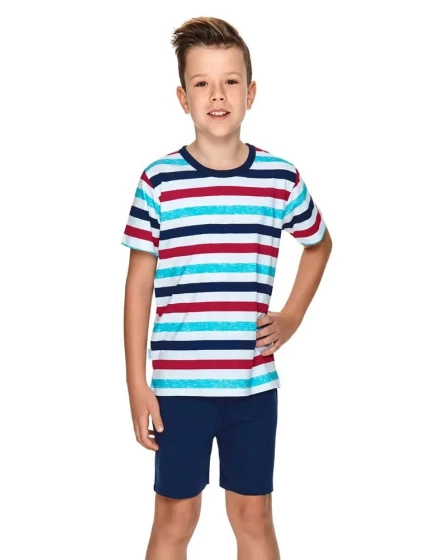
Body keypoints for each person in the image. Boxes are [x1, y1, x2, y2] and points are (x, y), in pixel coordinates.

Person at [121, 15, 332, 560]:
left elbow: (319, 244)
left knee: (253, 516)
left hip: (252, 387)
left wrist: (291, 316)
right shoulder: (158, 181)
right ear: (183, 97)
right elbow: (138, 285)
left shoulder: (279, 178)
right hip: (178, 388)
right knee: (176, 516)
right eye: (202, 83)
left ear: (250, 93)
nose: (218, 95)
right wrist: (137, 383)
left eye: (230, 81)